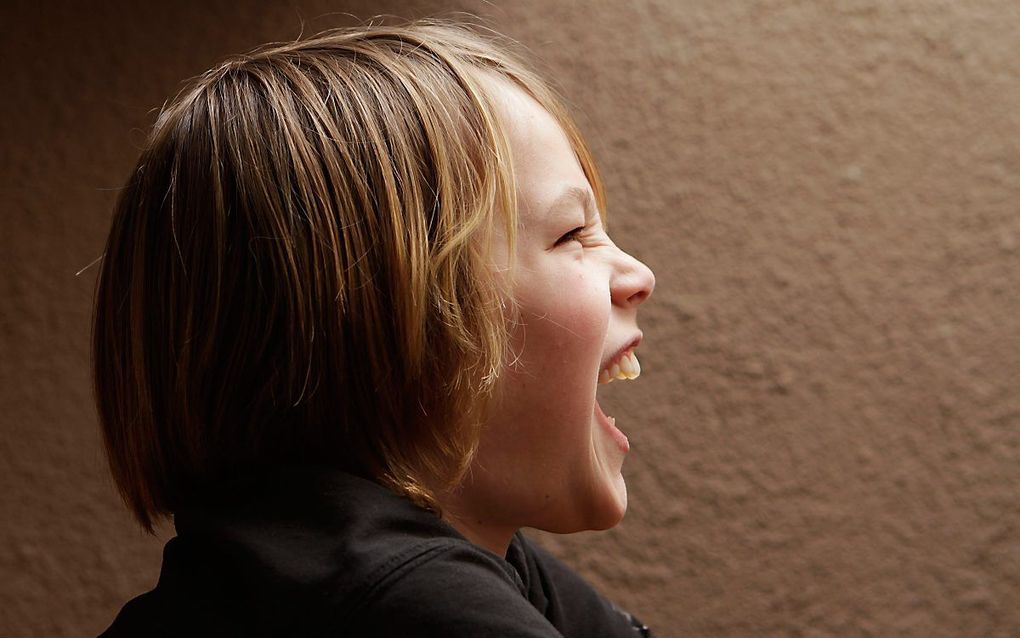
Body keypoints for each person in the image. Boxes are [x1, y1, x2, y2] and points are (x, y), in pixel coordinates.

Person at [93, 17, 656, 637]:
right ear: (388, 319)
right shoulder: (410, 603)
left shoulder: (296, 563)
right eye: (573, 234)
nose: (639, 275)